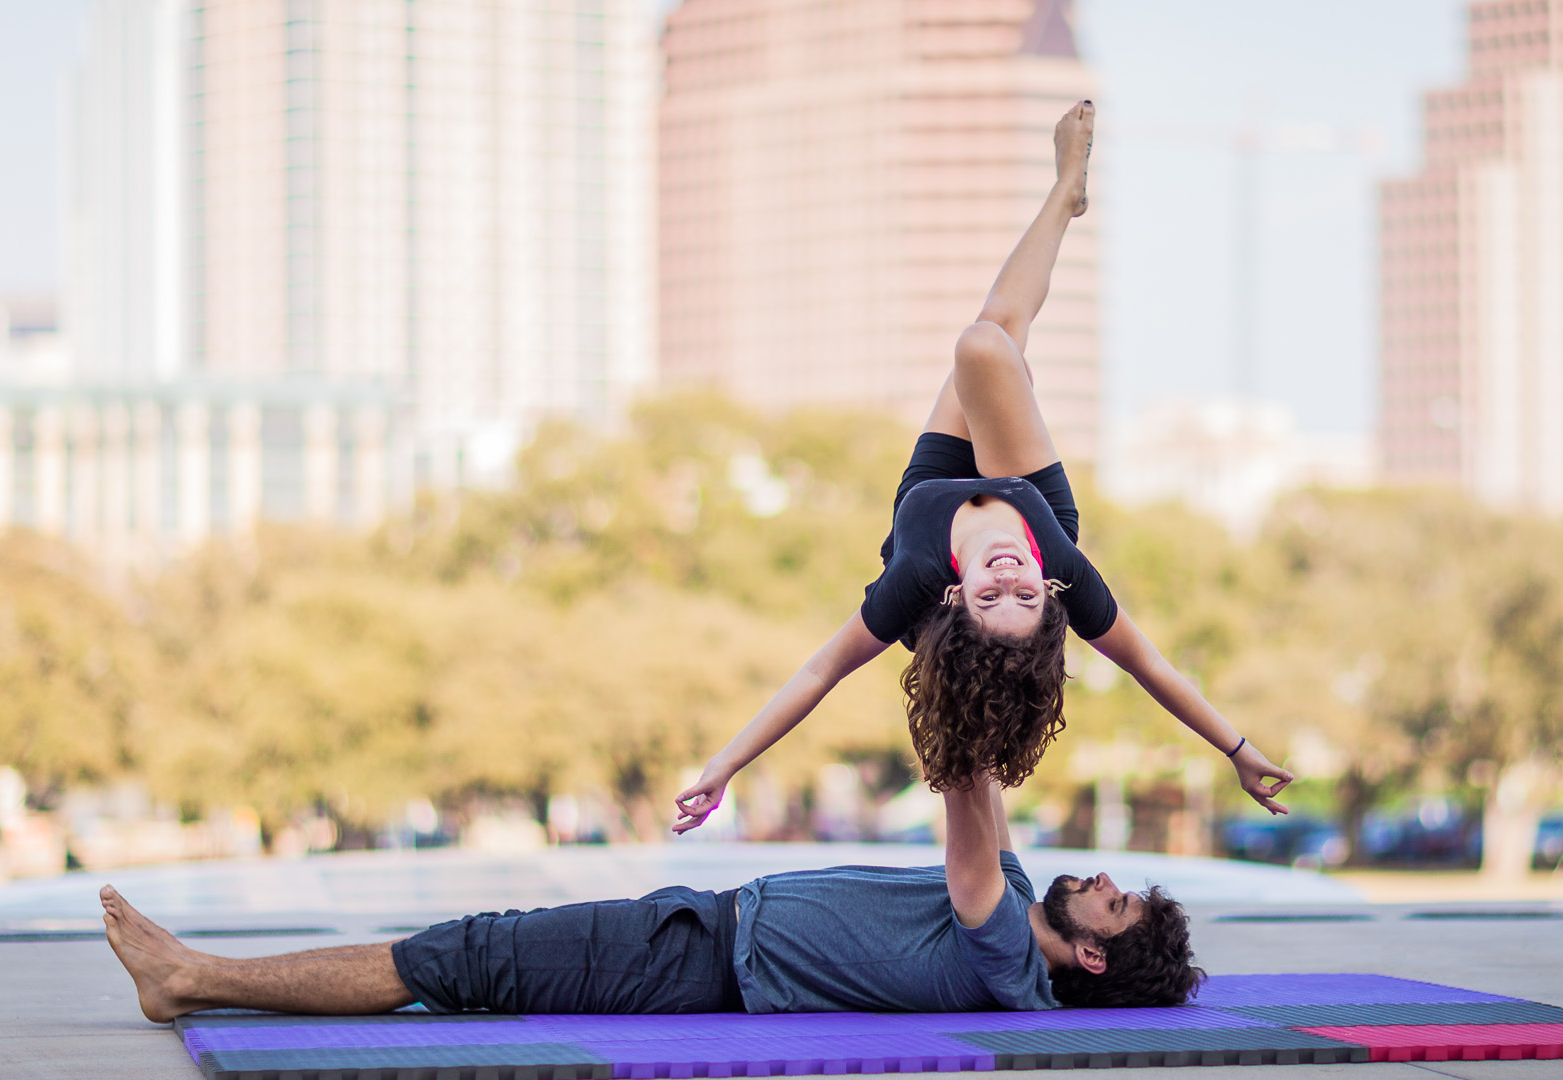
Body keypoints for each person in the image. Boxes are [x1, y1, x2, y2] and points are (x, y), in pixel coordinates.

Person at [674, 100, 1293, 831]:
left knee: (987, 339)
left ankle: (1066, 192)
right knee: (989, 341)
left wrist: (723, 766)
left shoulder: (914, 584)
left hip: (931, 495)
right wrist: (1238, 748)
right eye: (1024, 598)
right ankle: (1065, 194)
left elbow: (818, 673)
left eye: (990, 598)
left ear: (954, 597)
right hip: (1028, 497)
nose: (1008, 580)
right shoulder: (1058, 564)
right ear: (1047, 590)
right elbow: (1151, 667)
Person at [100, 774, 1202, 1021]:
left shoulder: (1009, 960)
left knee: (465, 957)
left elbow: (966, 798)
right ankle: (195, 974)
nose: (1105, 881)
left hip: (689, 962)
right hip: (701, 924)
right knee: (470, 950)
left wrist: (957, 637)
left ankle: (191, 979)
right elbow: (990, 793)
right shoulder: (1020, 892)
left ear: (1093, 958)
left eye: (1118, 905)